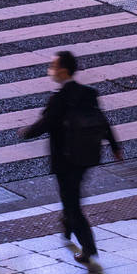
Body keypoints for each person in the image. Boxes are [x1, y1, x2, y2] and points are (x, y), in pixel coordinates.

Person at [18, 49, 118, 262]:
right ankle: (67, 222)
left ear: (63, 71)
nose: (50, 70)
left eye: (53, 66)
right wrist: (115, 146)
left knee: (72, 203)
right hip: (86, 156)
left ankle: (88, 246)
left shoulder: (59, 98)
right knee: (71, 193)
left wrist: (26, 133)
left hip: (65, 159)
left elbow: (44, 124)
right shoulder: (88, 93)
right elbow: (102, 120)